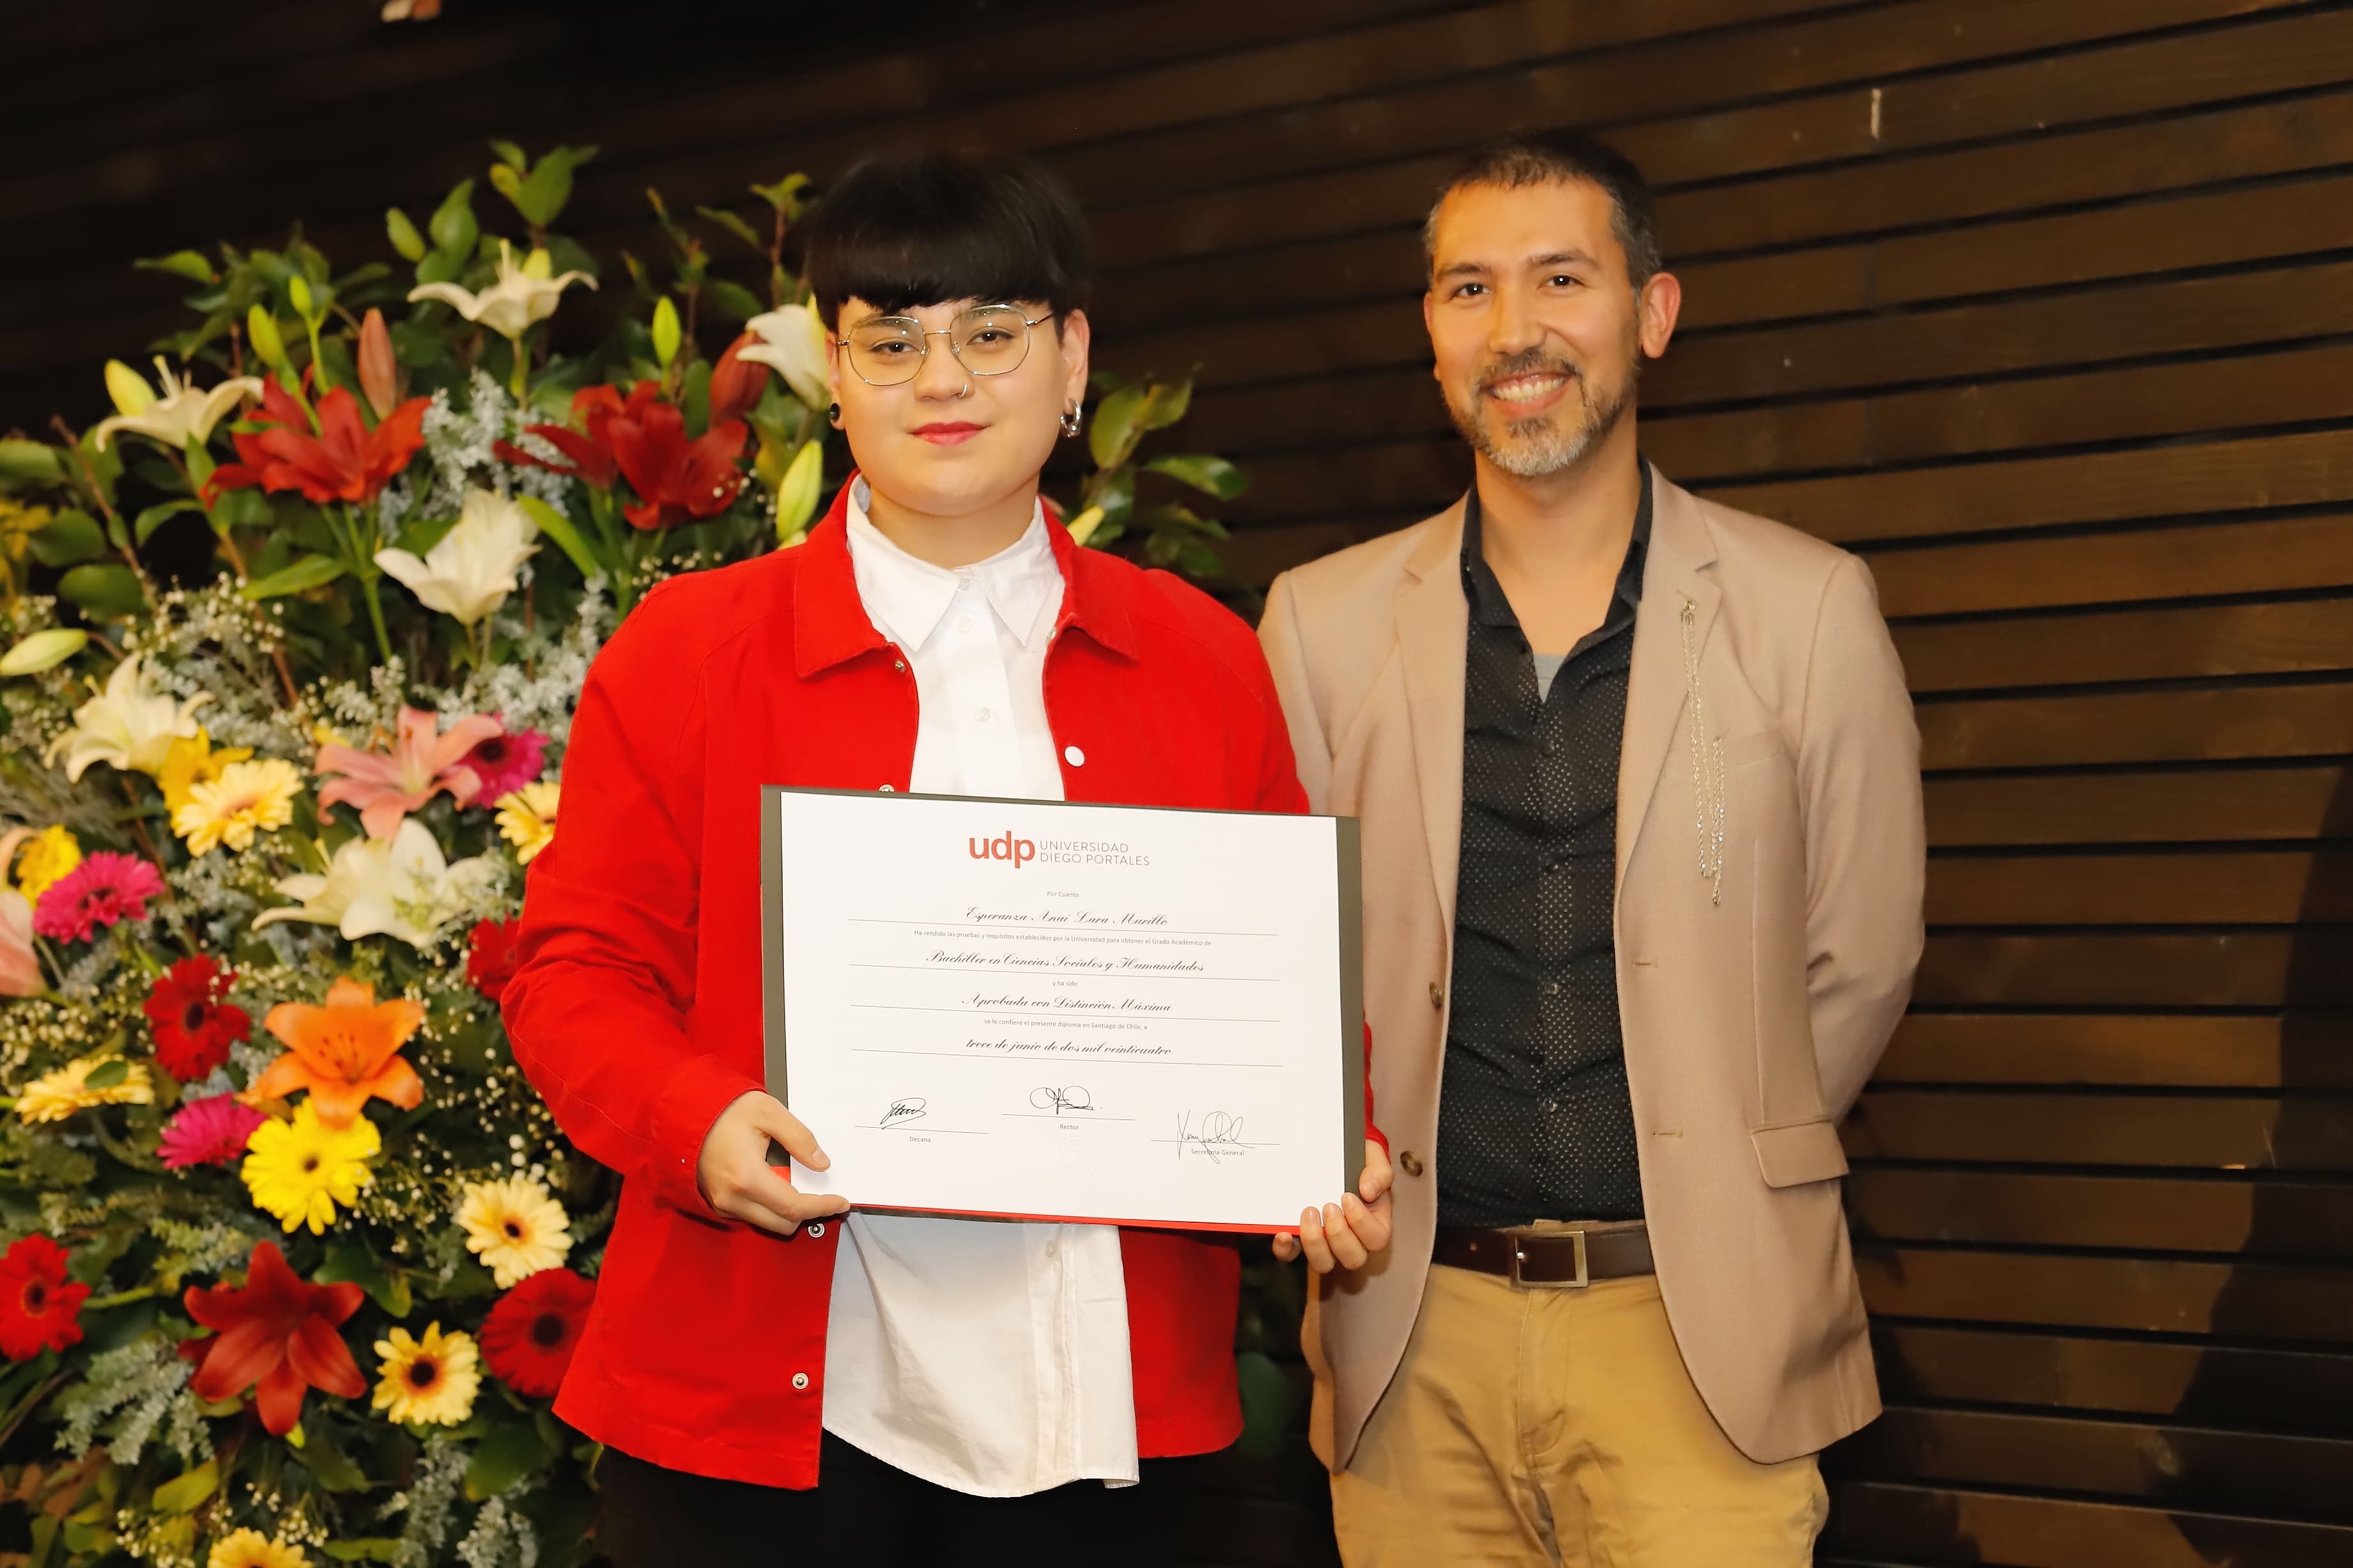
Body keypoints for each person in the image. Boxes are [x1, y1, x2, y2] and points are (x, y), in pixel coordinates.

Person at [502, 150, 1391, 1566]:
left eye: (991, 332)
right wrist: (696, 1121)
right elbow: (571, 970)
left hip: (1105, 1422)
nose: (943, 380)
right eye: (892, 340)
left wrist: (1333, 1139)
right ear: (834, 375)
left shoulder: (1197, 655)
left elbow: (1273, 982)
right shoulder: (689, 653)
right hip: (770, 1422)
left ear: (1073, 358)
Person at [1256, 130, 1925, 1567]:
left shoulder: (1806, 607)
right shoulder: (1316, 623)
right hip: (1410, 1336)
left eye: (1560, 279)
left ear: (1651, 311)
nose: (1515, 330)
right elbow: (1284, 959)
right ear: (1432, 334)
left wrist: (1721, 1147)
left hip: (1701, 1339)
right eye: (1469, 290)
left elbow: (1859, 957)